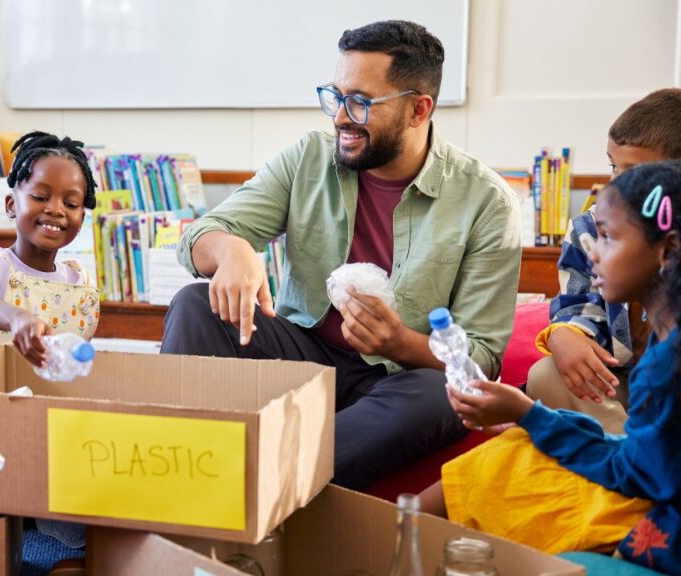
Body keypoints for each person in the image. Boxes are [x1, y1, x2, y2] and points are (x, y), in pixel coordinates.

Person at [161, 20, 521, 489]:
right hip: (300, 357)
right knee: (195, 302)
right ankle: (175, 463)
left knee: (442, 394)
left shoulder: (486, 202)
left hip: (395, 380)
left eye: (360, 102)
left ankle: (254, 479)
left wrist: (400, 343)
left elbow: (482, 357)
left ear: (418, 110)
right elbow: (202, 236)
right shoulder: (309, 158)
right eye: (335, 97)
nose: (340, 117)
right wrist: (231, 250)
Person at [423, 161, 681, 572]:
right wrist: (530, 418)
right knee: (514, 449)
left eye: (609, 238)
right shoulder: (665, 336)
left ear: (666, 250)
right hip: (647, 480)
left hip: (665, 535)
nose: (592, 252)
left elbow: (633, 473)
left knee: (563, 565)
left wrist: (527, 413)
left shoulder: (664, 368)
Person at [527, 88, 681, 434]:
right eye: (614, 167)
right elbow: (578, 302)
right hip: (620, 382)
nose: (619, 183)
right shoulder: (589, 227)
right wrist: (564, 334)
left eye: (635, 171)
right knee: (546, 376)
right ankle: (628, 453)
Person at [0, 131, 100, 367]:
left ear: (82, 218)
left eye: (70, 203)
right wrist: (15, 317)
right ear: (12, 205)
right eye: (40, 196)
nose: (56, 209)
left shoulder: (81, 282)